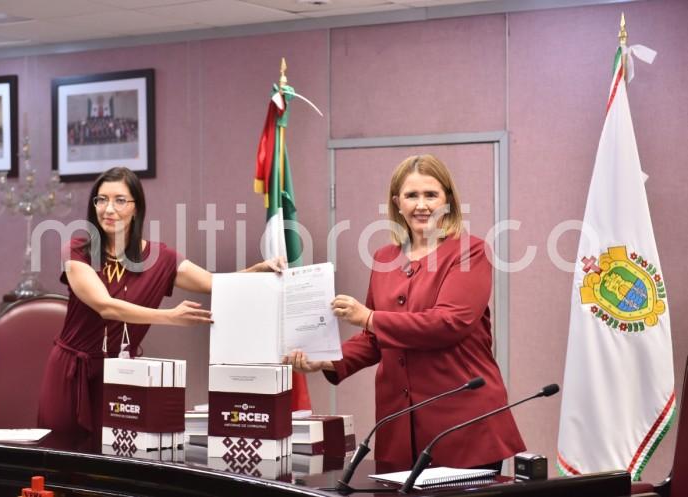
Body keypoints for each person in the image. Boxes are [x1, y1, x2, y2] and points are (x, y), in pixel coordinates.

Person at [285, 154, 525, 471]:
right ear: (397, 203)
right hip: (398, 426)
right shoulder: (384, 257)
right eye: (412, 196)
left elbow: (449, 323)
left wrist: (369, 317)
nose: (421, 205)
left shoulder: (470, 251)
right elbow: (375, 339)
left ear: (449, 201)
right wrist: (327, 358)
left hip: (463, 425)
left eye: (431, 195)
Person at [37, 166, 283, 437]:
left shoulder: (160, 258)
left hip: (122, 376)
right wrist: (169, 317)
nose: (108, 209)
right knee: (60, 455)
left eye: (119, 200)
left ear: (136, 207)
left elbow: (215, 283)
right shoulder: (77, 250)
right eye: (101, 199)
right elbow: (104, 306)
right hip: (71, 372)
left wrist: (256, 271)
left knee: (114, 459)